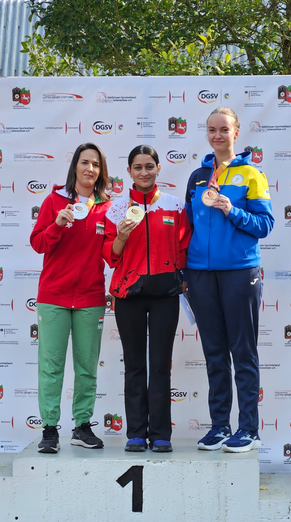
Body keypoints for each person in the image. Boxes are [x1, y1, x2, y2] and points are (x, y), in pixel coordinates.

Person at [185, 107, 275, 453]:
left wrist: (232, 210)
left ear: (236, 132)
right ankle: (220, 426)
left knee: (243, 351)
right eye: (212, 129)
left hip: (240, 272)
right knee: (215, 353)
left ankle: (249, 429)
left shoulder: (252, 174)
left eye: (224, 129)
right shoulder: (197, 176)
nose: (217, 135)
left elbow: (264, 226)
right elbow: (189, 227)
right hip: (201, 275)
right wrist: (184, 271)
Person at [102, 145, 191, 453]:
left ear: (158, 169)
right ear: (128, 172)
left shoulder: (174, 205)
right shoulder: (115, 209)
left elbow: (183, 249)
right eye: (137, 167)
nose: (143, 172)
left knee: (160, 366)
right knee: (136, 365)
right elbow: (109, 257)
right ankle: (136, 433)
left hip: (166, 294)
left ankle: (161, 433)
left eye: (149, 166)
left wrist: (184, 282)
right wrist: (122, 236)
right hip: (129, 294)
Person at [30, 142, 111, 453]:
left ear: (101, 171)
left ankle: (82, 426)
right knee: (51, 365)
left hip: (91, 297)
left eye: (96, 164)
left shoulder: (106, 207)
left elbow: (111, 254)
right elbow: (38, 243)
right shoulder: (55, 200)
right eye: (84, 162)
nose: (90, 168)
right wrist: (57, 225)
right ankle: (50, 429)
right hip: (54, 295)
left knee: (87, 365)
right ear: (74, 167)